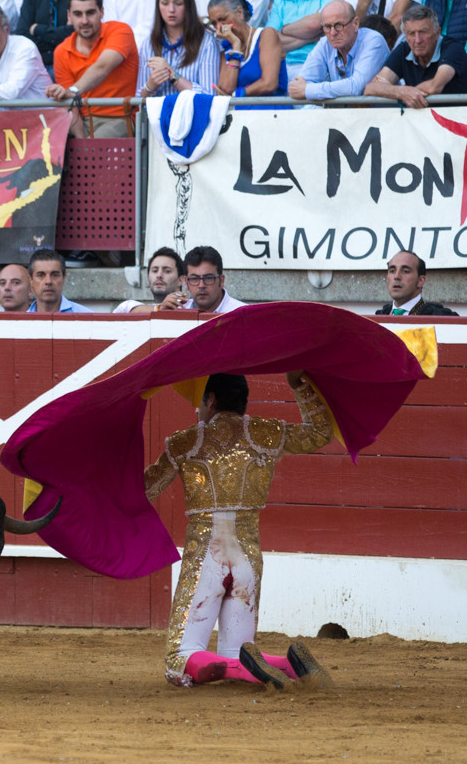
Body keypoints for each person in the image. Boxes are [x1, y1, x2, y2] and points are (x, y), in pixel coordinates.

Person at [144, 371, 334, 688]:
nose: (197, 409)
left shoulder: (186, 443)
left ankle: (242, 669)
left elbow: (144, 491)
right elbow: (320, 432)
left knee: (179, 659)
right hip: (247, 559)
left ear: (212, 400)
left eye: (200, 401)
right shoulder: (265, 434)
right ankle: (289, 664)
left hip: (205, 557)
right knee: (238, 652)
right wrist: (300, 386)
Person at [46, 0, 139, 138]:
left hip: (121, 118)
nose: (84, 20)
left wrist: (73, 91)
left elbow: (103, 66)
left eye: (90, 13)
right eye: (78, 14)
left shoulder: (120, 30)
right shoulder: (62, 51)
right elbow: (70, 107)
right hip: (84, 122)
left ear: (101, 12)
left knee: (95, 146)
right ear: (69, 16)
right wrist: (81, 141)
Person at [364, 3, 467, 106]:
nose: (417, 40)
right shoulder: (404, 49)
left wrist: (403, 92)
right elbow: (371, 88)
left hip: (465, 124)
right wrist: (401, 92)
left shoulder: (452, 48)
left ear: (437, 33)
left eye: (423, 32)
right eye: (411, 34)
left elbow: (435, 86)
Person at [136, 0, 220, 98]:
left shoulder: (207, 43)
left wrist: (172, 75)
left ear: (188, 6)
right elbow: (139, 101)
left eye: (178, 3)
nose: (171, 10)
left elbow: (209, 96)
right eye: (164, 3)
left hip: (192, 116)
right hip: (158, 116)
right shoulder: (148, 44)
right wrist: (150, 86)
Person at [289, 0, 388, 98]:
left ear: (356, 23)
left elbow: (356, 87)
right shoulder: (325, 44)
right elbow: (299, 85)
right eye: (327, 26)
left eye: (339, 25)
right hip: (344, 112)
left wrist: (309, 90)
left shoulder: (373, 41)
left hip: (383, 112)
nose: (333, 33)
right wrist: (307, 90)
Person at [270, 0, 347, 76]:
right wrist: (311, 37)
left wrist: (282, 31)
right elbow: (267, 40)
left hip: (319, 67)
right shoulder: (280, 0)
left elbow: (315, 24)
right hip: (281, 67)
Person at [209, 0, 288, 98]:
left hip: (270, 109)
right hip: (240, 111)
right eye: (214, 23)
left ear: (240, 12)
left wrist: (238, 94)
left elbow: (269, 84)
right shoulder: (227, 47)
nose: (219, 27)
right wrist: (235, 46)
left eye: (223, 19)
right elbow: (226, 89)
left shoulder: (266, 35)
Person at [16, 0, 95, 69]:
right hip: (39, 65)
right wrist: (60, 34)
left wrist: (37, 29)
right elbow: (22, 34)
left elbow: (81, 31)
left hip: (74, 63)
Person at [375, 250, 459, 315]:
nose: (396, 276)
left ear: (420, 281)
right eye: (392, 271)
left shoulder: (440, 318)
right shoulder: (376, 320)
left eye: (405, 271)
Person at [113, 246, 189, 313]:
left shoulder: (192, 306)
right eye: (155, 271)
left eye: (167, 271)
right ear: (148, 279)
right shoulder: (141, 309)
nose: (159, 275)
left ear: (180, 280)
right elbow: (124, 308)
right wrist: (159, 308)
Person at [181, 245, 245, 312]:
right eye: (194, 279)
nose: (201, 285)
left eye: (208, 278)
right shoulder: (177, 312)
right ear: (186, 283)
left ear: (221, 281)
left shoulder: (243, 314)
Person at [27, 248, 92, 312]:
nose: (48, 281)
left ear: (64, 278)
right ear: (31, 280)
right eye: (40, 275)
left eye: (55, 275)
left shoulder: (86, 318)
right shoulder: (22, 321)